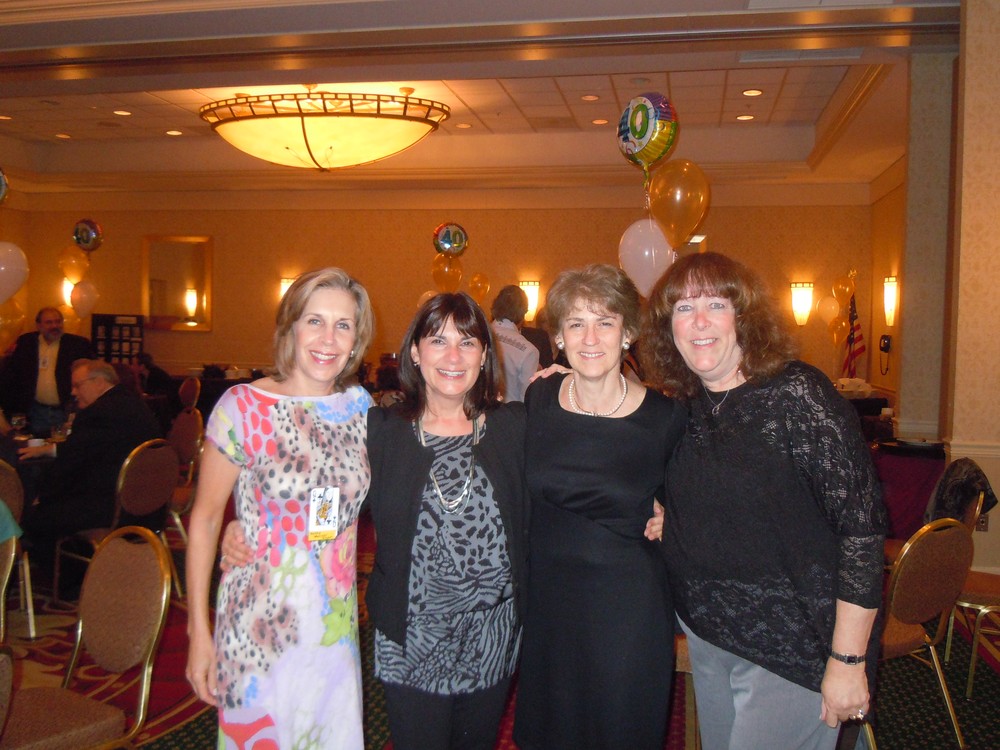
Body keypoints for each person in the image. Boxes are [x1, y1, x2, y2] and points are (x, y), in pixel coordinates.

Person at [222, 292, 529, 750]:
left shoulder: (514, 427)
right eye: (438, 341)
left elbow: (569, 484)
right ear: (415, 353)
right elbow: (325, 500)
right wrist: (254, 522)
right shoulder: (381, 431)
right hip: (411, 638)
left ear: (484, 355)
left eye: (467, 343)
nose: (453, 356)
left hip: (494, 635)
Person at [641, 252, 886, 750]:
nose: (700, 321)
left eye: (716, 304)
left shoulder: (798, 394)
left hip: (792, 646)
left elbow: (861, 532)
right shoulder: (685, 407)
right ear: (669, 330)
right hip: (709, 635)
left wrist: (848, 660)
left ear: (745, 317)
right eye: (684, 309)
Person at [185, 268, 376, 748]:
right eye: (315, 321)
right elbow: (204, 519)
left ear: (356, 340)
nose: (328, 339)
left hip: (333, 630)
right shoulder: (242, 407)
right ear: (291, 326)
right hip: (258, 629)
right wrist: (198, 632)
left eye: (343, 325)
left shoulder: (360, 408)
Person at [513, 264, 687, 750]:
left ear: (628, 332)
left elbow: (700, 496)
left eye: (605, 322)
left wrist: (674, 517)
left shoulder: (666, 417)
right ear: (559, 337)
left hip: (627, 608)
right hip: (549, 606)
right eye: (576, 323)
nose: (590, 338)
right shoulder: (539, 397)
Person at [18, 358, 162, 568]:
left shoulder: (98, 414)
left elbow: (69, 467)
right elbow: (91, 450)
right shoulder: (133, 404)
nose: (73, 392)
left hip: (113, 507)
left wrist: (40, 495)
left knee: (34, 517)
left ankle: (68, 577)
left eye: (78, 385)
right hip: (148, 503)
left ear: (99, 382)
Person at [0, 307, 94, 436]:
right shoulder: (26, 343)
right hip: (36, 412)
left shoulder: (77, 344)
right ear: (38, 325)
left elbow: (91, 375)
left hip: (66, 411)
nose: (55, 326)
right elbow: (12, 376)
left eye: (58, 321)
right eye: (49, 322)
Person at [489, 285, 539, 402]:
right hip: (510, 411)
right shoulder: (529, 351)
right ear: (523, 313)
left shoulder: (478, 336)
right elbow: (527, 399)